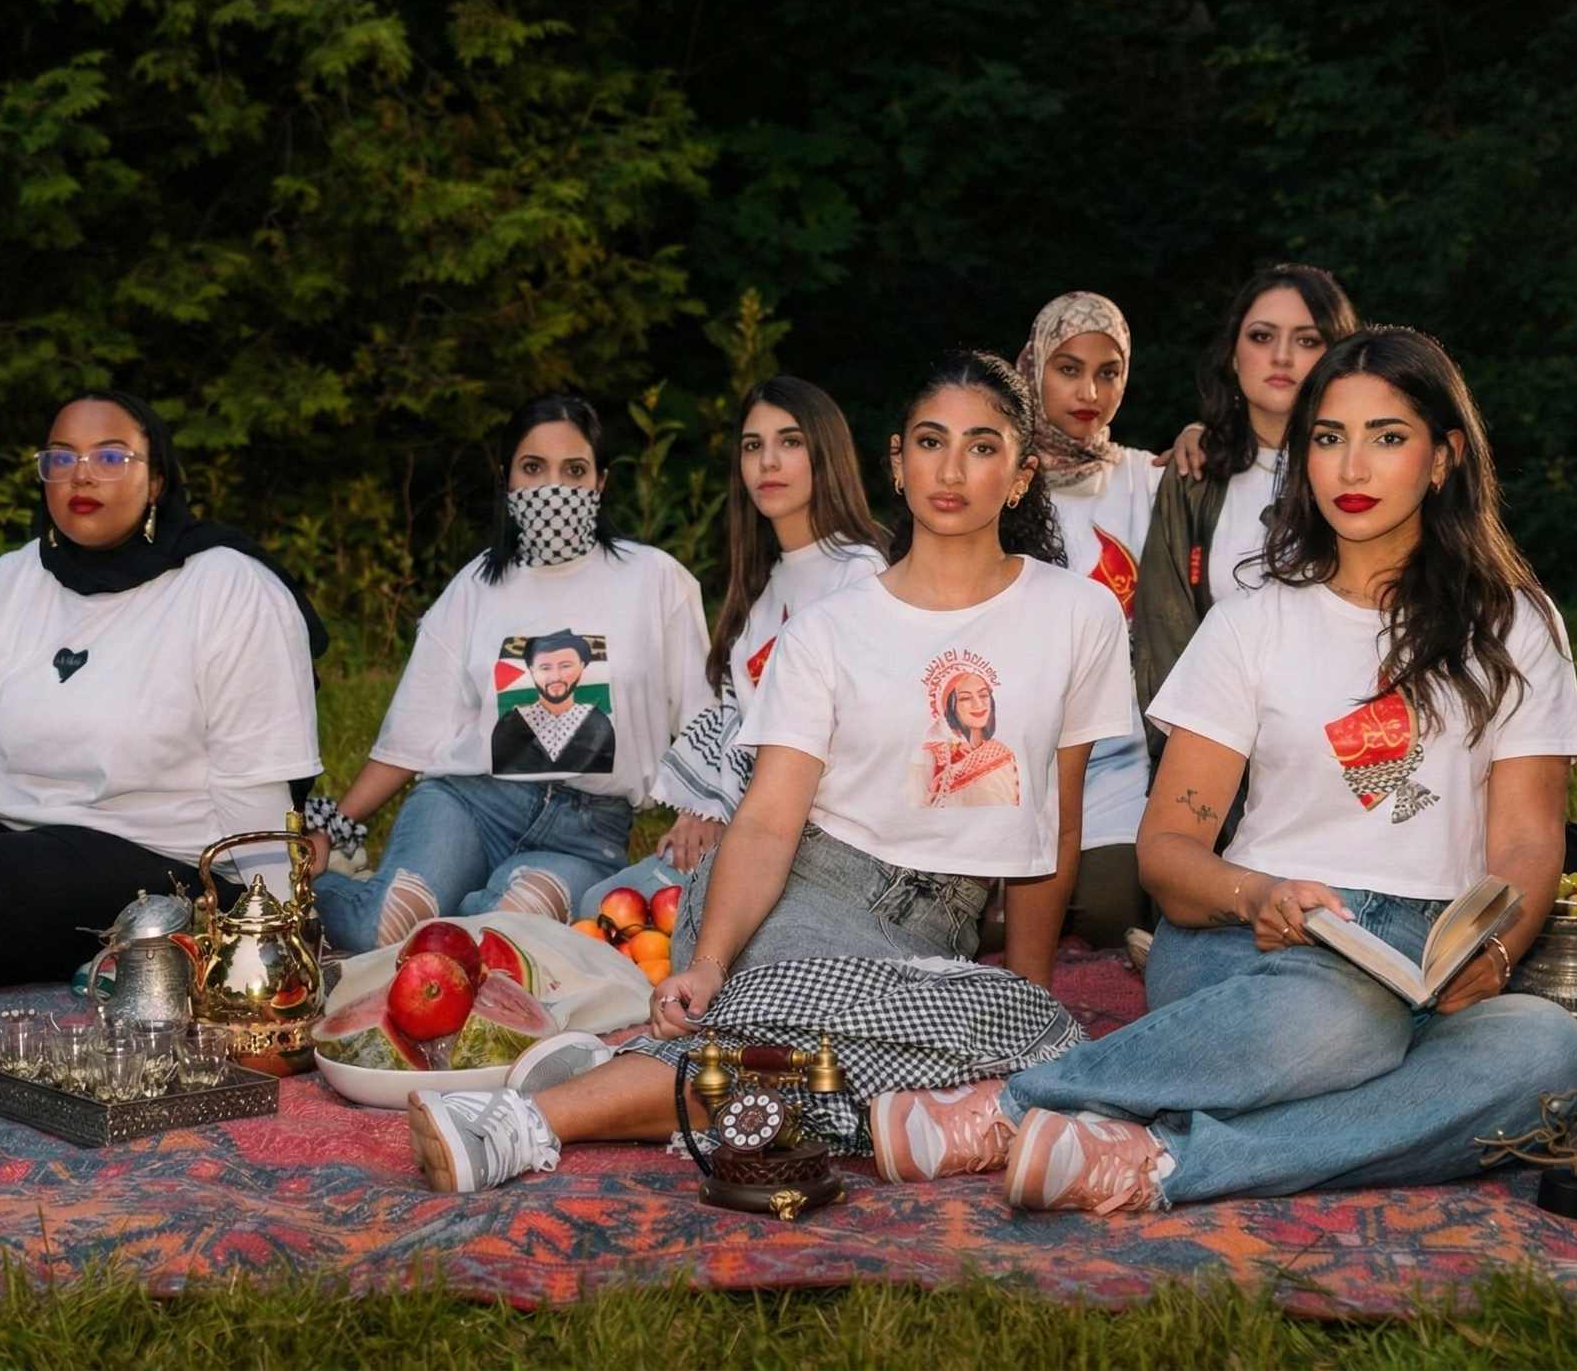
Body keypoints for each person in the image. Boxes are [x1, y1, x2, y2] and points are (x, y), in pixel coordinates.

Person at [867, 327, 1577, 1213]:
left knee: (1547, 1052)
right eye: (1328, 438)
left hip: (1432, 959)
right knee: (1348, 1018)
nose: (1352, 466)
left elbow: (1526, 841)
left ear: (1443, 458)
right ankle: (1014, 1102)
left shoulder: (1514, 625)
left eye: (1387, 437)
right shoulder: (1254, 621)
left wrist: (1498, 949)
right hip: (1250, 946)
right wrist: (1261, 897)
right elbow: (1168, 852)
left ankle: (1158, 1163)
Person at [398, 352, 1137, 1194]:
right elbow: (769, 819)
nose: (952, 469)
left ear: (1019, 474)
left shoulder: (1078, 615)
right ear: (896, 462)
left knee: (1035, 1037)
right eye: (932, 442)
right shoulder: (832, 628)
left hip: (942, 930)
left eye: (982, 447)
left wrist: (1029, 993)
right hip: (806, 884)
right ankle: (515, 1125)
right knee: (785, 1055)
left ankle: (621, 1072)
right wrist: (711, 962)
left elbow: (1053, 822)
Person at [0, 391, 325, 989]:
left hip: (159, 853)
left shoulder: (229, 589)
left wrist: (279, 926)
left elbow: (254, 781)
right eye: (61, 457)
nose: (81, 475)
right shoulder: (7, 582)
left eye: (110, 457)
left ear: (155, 481)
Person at [315, 396, 708, 952]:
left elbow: (701, 715)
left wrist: (701, 809)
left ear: (600, 481)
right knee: (382, 928)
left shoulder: (655, 580)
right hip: (468, 805)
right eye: (533, 468)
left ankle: (456, 907)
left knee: (501, 940)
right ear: (506, 479)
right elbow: (414, 732)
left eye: (574, 470)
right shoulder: (475, 586)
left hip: (583, 834)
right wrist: (331, 828)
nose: (554, 486)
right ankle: (314, 895)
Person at [602, 377, 885, 906]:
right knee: (609, 901)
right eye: (753, 446)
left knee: (627, 910)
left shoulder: (860, 574)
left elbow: (860, 739)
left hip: (825, 845)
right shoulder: (762, 592)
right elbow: (739, 727)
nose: (768, 462)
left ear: (827, 454)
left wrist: (739, 827)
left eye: (790, 442)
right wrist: (701, 809)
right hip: (754, 826)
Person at [1136, 264, 1357, 725]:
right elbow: (1165, 630)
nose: (1282, 356)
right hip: (1216, 749)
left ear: (1339, 357)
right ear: (1233, 356)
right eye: (1261, 336)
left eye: (1307, 340)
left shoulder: (1362, 473)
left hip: (1342, 742)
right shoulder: (1193, 475)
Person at [1017, 291, 1162, 944]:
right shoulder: (1000, 479)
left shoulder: (1147, 481)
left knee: (1110, 909)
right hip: (1011, 757)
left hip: (1115, 758)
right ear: (1034, 367)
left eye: (1109, 373)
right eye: (1068, 368)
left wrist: (1197, 439)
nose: (1090, 391)